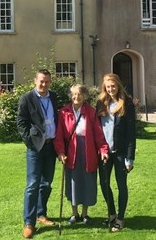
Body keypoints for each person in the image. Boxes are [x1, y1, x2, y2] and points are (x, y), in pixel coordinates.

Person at [54, 84, 109, 226]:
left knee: (87, 181)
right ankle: (74, 213)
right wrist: (60, 152)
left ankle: (85, 214)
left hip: (88, 150)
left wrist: (103, 150)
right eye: (73, 94)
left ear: (85, 96)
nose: (76, 97)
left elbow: (98, 133)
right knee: (73, 181)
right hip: (71, 151)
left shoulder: (91, 112)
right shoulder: (64, 112)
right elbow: (59, 134)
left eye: (79, 94)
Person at [17, 69, 59, 239]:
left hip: (51, 146)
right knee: (33, 184)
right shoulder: (26, 98)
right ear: (35, 81)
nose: (44, 84)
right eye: (41, 81)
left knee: (46, 183)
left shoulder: (53, 97)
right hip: (35, 147)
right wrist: (30, 142)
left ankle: (41, 214)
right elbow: (21, 122)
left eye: (47, 81)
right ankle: (29, 222)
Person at [96, 73, 137, 232]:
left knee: (121, 185)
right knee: (104, 184)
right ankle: (112, 213)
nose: (111, 89)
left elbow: (131, 133)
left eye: (113, 86)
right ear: (104, 87)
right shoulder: (100, 103)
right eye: (108, 86)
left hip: (120, 152)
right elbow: (97, 128)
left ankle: (120, 218)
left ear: (118, 86)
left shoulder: (126, 103)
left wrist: (129, 158)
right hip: (105, 152)